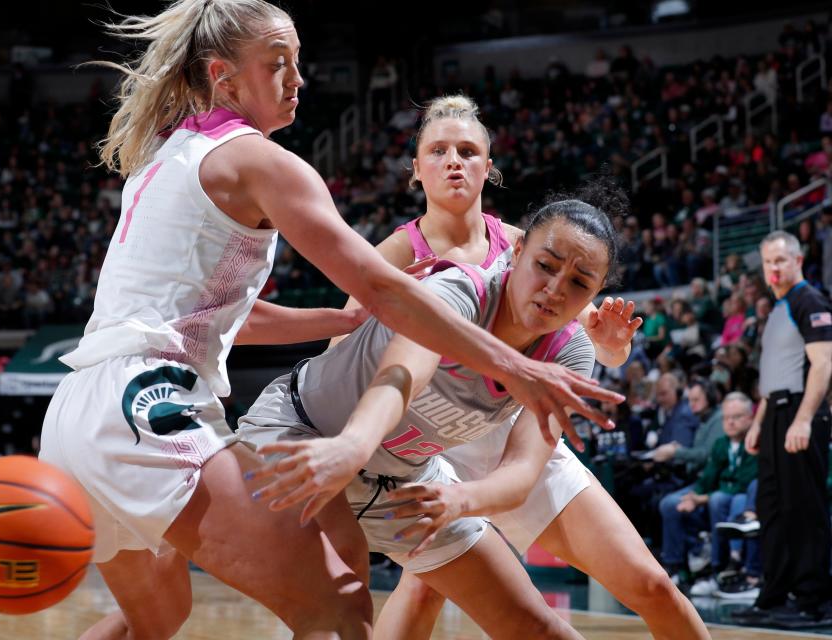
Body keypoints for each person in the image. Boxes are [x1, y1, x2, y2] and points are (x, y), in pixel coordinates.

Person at [39, 2, 620, 639]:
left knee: (157, 617)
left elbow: (224, 315)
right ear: (223, 76)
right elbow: (377, 284)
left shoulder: (165, 158)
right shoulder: (261, 162)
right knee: (336, 608)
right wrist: (512, 364)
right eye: (277, 64)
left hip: (77, 406)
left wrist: (340, 325)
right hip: (145, 403)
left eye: (298, 63)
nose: (297, 78)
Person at [239, 185, 702, 638]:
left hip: (405, 478)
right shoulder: (458, 288)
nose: (555, 290)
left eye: (579, 283)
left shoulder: (570, 352)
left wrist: (462, 500)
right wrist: (353, 445)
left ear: (596, 293)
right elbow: (402, 376)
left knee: (537, 627)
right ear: (517, 250)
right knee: (344, 586)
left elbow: (523, 470)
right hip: (306, 431)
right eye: (545, 266)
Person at [326, 95, 703, 638]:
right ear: (415, 169)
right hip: (435, 447)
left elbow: (593, 349)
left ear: (488, 167)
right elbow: (342, 355)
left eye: (467, 150)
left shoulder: (537, 244)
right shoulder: (396, 254)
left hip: (519, 432)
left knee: (652, 586)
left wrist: (615, 348)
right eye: (438, 150)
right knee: (427, 587)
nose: (453, 161)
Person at [735, 231, 832, 629]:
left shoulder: (809, 300)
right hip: (775, 413)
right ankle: (773, 596)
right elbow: (774, 374)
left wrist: (805, 419)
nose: (772, 269)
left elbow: (824, 364)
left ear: (797, 260)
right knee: (772, 510)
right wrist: (758, 422)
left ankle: (814, 602)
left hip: (800, 412)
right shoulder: (777, 309)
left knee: (804, 510)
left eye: (779, 261)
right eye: (767, 262)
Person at [658, 392, 757, 595]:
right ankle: (676, 567)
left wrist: (703, 498)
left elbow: (743, 482)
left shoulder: (754, 443)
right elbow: (708, 478)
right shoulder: (722, 444)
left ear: (750, 418)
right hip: (718, 493)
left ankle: (719, 566)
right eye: (726, 418)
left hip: (741, 497)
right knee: (670, 503)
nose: (730, 423)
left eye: (736, 417)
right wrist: (694, 495)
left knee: (723, 500)